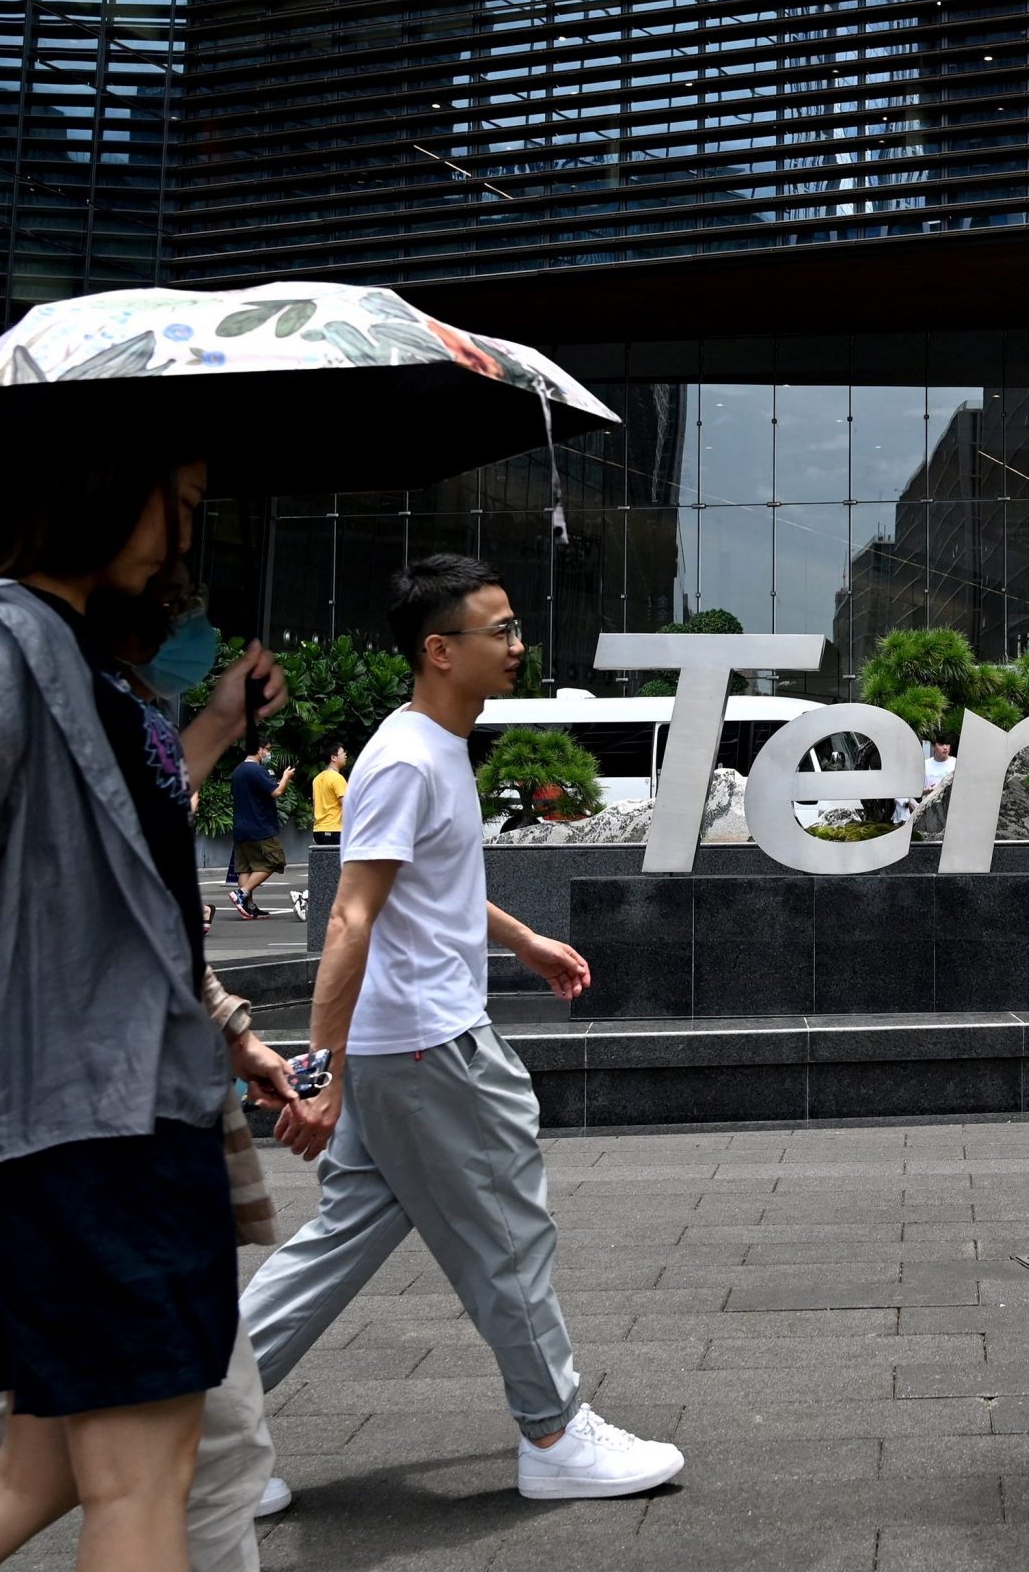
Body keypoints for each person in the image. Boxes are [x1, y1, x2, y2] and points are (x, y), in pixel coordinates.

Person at [0, 455, 292, 1572]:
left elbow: (120, 876)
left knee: (47, 1472)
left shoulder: (78, 660)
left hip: (113, 1111)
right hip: (82, 1124)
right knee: (140, 1482)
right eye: (180, 500)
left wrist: (212, 724)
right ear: (93, 484)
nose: (184, 534)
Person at [241, 554, 683, 1509]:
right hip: (429, 1050)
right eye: (502, 632)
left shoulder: (431, 746)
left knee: (336, 1245)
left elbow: (435, 889)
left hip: (402, 1048)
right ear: (440, 651)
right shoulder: (407, 759)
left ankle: (190, 1432)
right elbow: (351, 918)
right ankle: (556, 1434)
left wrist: (522, 940)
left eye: (517, 628)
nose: (520, 646)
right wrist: (322, 1072)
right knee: (510, 1235)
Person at [228, 743, 292, 919]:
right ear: (259, 749)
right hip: (260, 826)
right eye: (268, 749)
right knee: (275, 860)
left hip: (241, 827)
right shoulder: (256, 770)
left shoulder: (238, 771)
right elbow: (277, 791)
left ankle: (247, 907)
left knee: (245, 868)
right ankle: (243, 893)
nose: (269, 753)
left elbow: (234, 796)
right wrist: (285, 776)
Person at [896, 737, 955, 823]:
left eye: (947, 744)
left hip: (951, 812)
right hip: (929, 814)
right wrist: (925, 793)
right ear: (934, 746)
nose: (945, 748)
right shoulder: (924, 765)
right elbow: (910, 791)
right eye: (941, 744)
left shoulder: (956, 764)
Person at [309, 741, 349, 846]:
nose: (345, 755)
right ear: (333, 758)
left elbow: (315, 805)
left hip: (318, 831)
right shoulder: (337, 778)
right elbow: (347, 805)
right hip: (334, 830)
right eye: (343, 753)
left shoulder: (317, 779)